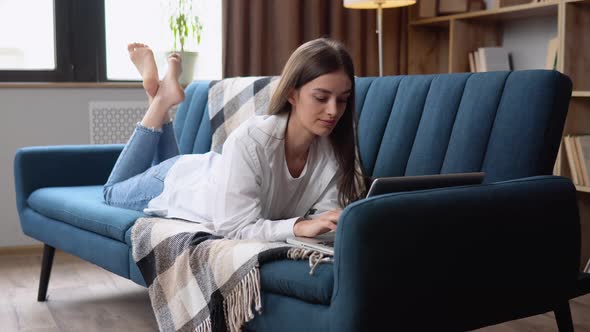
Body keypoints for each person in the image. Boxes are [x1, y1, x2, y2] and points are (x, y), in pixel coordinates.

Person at [103, 38, 365, 242]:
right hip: (175, 182)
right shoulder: (252, 138)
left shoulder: (334, 149)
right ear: (292, 95)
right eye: (321, 98)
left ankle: (162, 94)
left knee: (167, 163)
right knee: (111, 192)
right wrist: (297, 226)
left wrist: (332, 222)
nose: (333, 111)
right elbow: (235, 227)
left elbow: (325, 218)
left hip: (202, 169)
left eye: (342, 99)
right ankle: (160, 101)